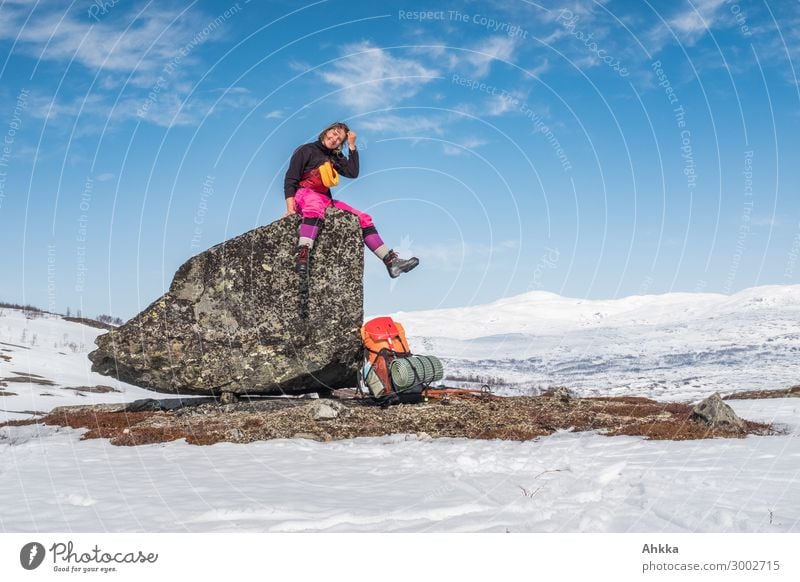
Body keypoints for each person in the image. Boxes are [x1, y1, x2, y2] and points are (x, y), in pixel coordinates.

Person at [283, 122, 419, 278]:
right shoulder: (305, 150)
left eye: (339, 139)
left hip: (325, 199)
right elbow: (290, 179)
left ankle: (391, 262)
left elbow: (352, 172)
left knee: (362, 218)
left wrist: (352, 146)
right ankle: (303, 255)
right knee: (314, 205)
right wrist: (290, 209)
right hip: (304, 193)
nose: (334, 138)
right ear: (326, 131)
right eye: (333, 133)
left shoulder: (335, 156)